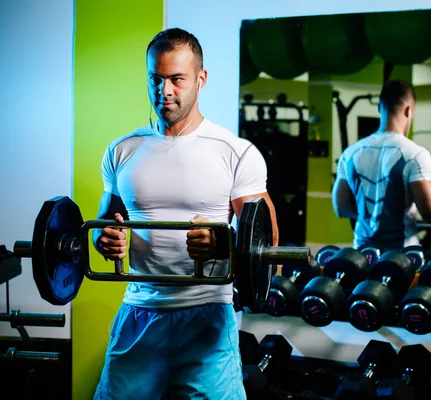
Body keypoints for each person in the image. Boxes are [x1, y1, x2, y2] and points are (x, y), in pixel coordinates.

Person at [91, 28, 279, 400]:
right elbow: (103, 226)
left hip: (206, 316)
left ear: (201, 79)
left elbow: (266, 242)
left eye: (177, 79)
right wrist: (106, 240)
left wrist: (221, 244)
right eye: (156, 79)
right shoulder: (122, 150)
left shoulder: (235, 152)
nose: (166, 91)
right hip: (139, 312)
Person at [332, 79, 431, 251]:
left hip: (362, 255)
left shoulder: (350, 153)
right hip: (402, 258)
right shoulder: (415, 155)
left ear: (379, 108)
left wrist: (371, 211)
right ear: (409, 111)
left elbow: (342, 208)